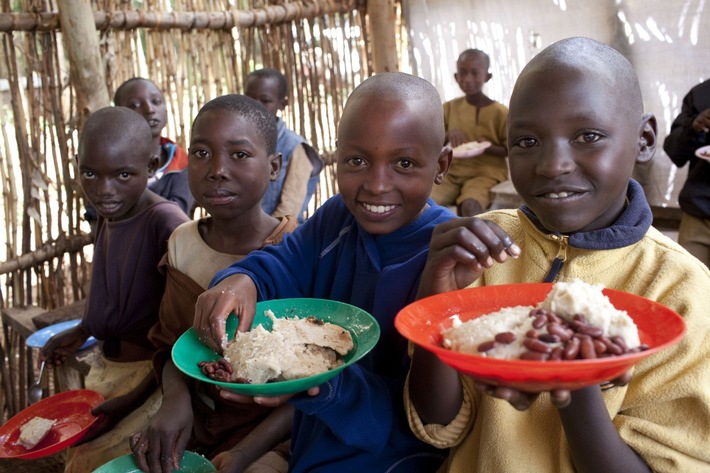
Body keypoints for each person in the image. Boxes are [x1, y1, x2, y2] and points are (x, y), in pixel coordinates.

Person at [406, 37, 710, 473]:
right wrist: (434, 302)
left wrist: (575, 376)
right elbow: (436, 424)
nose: (552, 164)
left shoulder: (682, 292)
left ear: (643, 139)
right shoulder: (485, 249)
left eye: (587, 136)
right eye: (526, 141)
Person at [192, 72, 455, 472]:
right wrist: (241, 280)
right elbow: (281, 262)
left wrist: (326, 387)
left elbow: (426, 418)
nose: (377, 185)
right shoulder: (337, 220)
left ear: (442, 164)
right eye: (357, 161)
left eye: (404, 163)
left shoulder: (446, 261)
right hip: (311, 449)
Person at [129, 94, 298, 473]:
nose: (217, 169)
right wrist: (175, 400)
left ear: (274, 166)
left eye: (239, 155)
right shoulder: (182, 243)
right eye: (202, 153)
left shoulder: (294, 252)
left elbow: (312, 380)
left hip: (275, 431)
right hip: (196, 415)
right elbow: (173, 344)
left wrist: (248, 451)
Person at [41, 107, 190, 472]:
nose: (103, 190)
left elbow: (184, 332)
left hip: (150, 382)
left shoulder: (167, 224)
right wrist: (82, 331)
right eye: (90, 173)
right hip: (110, 370)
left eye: (123, 174)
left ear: (152, 163)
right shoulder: (113, 213)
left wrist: (133, 399)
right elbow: (116, 291)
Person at [84, 78, 194, 231]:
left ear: (151, 166)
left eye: (156, 101)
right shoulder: (107, 164)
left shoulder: (181, 165)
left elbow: (177, 217)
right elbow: (96, 218)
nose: (149, 109)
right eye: (135, 105)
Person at [430, 49, 508, 217]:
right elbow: (430, 141)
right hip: (451, 171)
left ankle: (473, 242)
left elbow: (510, 149)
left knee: (470, 205)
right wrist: (448, 136)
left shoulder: (501, 112)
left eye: (475, 73)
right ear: (456, 77)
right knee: (426, 201)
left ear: (487, 77)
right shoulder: (448, 108)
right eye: (463, 73)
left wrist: (487, 147)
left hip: (486, 172)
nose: (467, 79)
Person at [245, 68, 323, 223]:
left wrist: (259, 239)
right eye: (250, 98)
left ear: (282, 103)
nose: (256, 106)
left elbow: (288, 212)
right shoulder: (237, 140)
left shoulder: (295, 147)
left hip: (278, 239)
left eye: (265, 101)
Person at [663, 78, 710, 267]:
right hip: (699, 215)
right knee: (688, 289)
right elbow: (674, 152)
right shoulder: (701, 94)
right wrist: (694, 127)